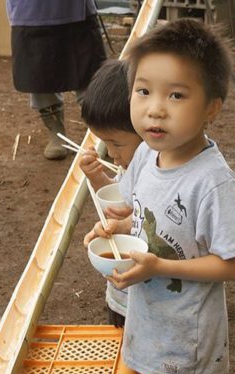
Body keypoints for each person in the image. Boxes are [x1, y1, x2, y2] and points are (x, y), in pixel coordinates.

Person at [84, 19, 235, 374]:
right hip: (152, 324)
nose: (155, 109)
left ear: (212, 109)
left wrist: (158, 265)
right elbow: (138, 216)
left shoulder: (212, 183)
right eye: (143, 91)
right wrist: (114, 228)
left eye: (176, 96)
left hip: (186, 339)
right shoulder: (146, 158)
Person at [78, 59, 142, 327]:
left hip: (153, 296)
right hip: (121, 292)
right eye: (105, 144)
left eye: (116, 144)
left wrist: (125, 223)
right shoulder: (127, 164)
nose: (111, 154)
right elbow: (117, 204)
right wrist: (96, 178)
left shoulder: (163, 174)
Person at [7, 0, 106, 160]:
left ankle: (102, 133)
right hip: (31, 12)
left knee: (89, 71)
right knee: (40, 77)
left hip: (76, 10)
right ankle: (57, 133)